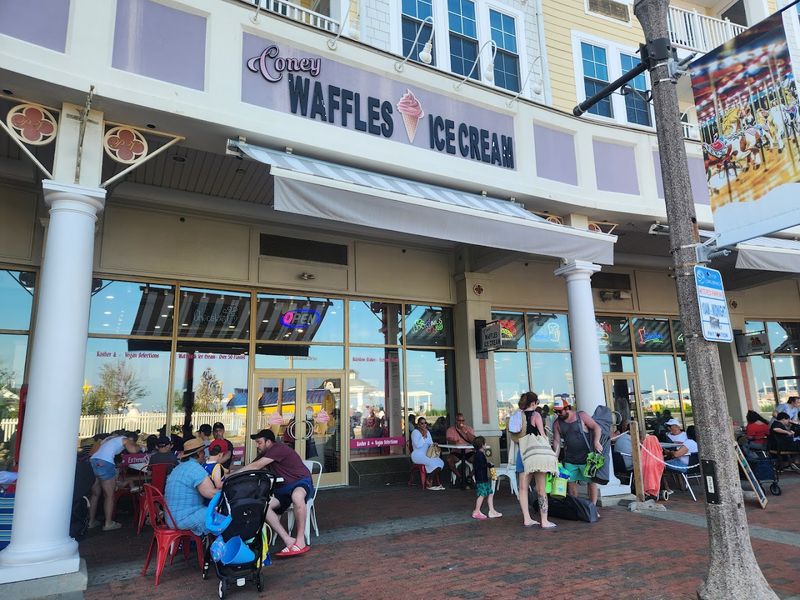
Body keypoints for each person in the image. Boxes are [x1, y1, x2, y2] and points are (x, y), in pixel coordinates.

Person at [239, 429, 314, 556]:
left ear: (268, 442)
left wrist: (231, 477)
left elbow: (256, 467)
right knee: (262, 505)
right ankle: (288, 540)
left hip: (300, 482)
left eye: (259, 442)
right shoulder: (265, 453)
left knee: (297, 496)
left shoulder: (278, 448)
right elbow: (253, 466)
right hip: (283, 490)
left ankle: (300, 540)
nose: (257, 445)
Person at [551, 397, 604, 507]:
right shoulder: (557, 423)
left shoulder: (581, 416)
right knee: (571, 484)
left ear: (567, 408)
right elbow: (556, 441)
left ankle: (592, 507)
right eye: (555, 411)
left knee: (591, 482)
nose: (558, 414)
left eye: (560, 411)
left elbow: (596, 427)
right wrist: (555, 457)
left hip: (587, 457)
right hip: (570, 458)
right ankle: (577, 508)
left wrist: (596, 442)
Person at [516, 392, 557, 529]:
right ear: (533, 403)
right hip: (536, 454)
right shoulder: (536, 415)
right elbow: (543, 435)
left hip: (522, 453)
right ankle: (544, 521)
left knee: (522, 488)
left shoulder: (517, 416)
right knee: (541, 489)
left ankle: (527, 519)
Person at [88, 430, 141, 532]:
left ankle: (91, 522)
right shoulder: (124, 439)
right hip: (105, 463)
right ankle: (108, 523)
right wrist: (141, 447)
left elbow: (92, 452)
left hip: (93, 461)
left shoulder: (108, 439)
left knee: (94, 494)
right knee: (109, 495)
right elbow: (133, 450)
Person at [163, 438, 217, 535]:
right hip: (183, 519)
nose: (205, 455)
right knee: (220, 515)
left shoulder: (179, 467)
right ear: (199, 453)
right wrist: (227, 490)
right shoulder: (195, 468)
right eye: (204, 452)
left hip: (170, 518)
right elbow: (210, 493)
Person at [471, 436, 501, 520]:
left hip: (482, 478)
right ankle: (476, 511)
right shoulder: (479, 455)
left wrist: (487, 463)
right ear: (482, 445)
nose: (486, 444)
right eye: (485, 443)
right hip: (481, 479)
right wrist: (488, 464)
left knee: (490, 493)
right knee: (482, 495)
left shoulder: (478, 454)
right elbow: (481, 466)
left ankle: (492, 510)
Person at [410, 416, 445, 490]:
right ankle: (429, 480)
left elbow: (430, 443)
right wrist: (423, 436)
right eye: (422, 423)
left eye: (425, 423)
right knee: (432, 462)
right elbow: (417, 445)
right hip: (417, 454)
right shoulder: (415, 432)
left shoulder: (428, 432)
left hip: (427, 453)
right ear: (418, 425)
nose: (424, 425)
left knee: (440, 462)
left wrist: (434, 444)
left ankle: (429, 478)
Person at [445, 413, 476, 486]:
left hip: (468, 451)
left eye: (463, 420)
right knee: (449, 459)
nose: (461, 422)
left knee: (479, 459)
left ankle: (470, 476)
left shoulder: (469, 429)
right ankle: (460, 477)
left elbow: (473, 441)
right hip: (456, 451)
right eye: (459, 420)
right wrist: (454, 441)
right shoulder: (450, 430)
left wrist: (466, 432)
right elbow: (449, 441)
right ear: (456, 421)